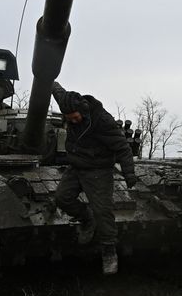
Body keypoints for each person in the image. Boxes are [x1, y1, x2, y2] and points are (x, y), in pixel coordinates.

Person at [51, 81, 137, 275]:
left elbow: (123, 147)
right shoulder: (67, 102)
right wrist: (48, 78)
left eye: (74, 118)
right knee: (62, 198)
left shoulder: (102, 121)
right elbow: (57, 90)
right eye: (68, 118)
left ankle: (108, 251)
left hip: (99, 169)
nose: (72, 121)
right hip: (77, 165)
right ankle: (86, 218)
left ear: (83, 110)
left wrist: (129, 173)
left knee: (103, 210)